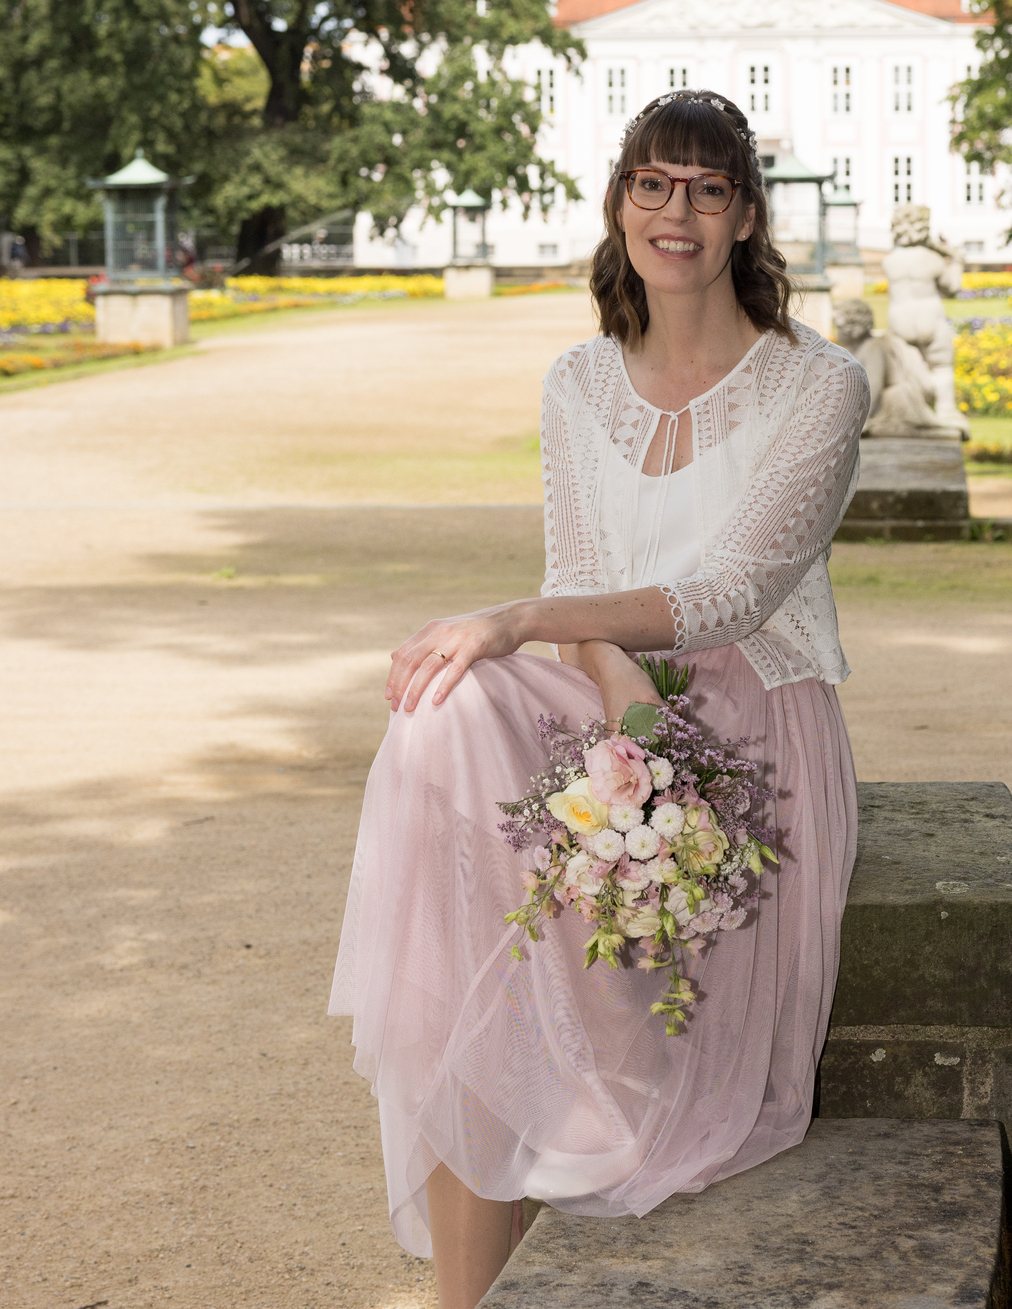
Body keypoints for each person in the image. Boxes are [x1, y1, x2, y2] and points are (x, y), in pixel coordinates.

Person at [329, 89, 870, 1309]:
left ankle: (550, 1105)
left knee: (487, 668)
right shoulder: (577, 380)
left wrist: (525, 628)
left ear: (744, 218)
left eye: (707, 188)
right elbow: (580, 581)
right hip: (603, 691)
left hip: (754, 729)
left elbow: (731, 596)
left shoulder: (815, 387)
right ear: (620, 201)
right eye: (652, 184)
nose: (675, 211)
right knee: (446, 713)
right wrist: (622, 738)